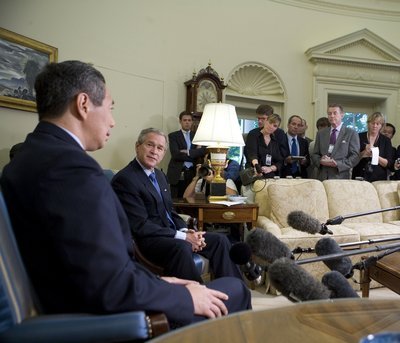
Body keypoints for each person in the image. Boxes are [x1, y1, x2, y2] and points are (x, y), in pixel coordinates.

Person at [0, 61, 250, 328]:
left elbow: (89, 263)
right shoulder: (72, 170)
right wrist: (181, 295)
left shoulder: (28, 158)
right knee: (235, 289)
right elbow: (109, 287)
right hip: (108, 322)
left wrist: (159, 281)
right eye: (110, 108)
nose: (112, 120)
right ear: (83, 104)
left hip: (77, 302)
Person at [112, 128, 244, 283]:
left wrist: (186, 230)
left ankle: (232, 291)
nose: (155, 151)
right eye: (150, 145)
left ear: (163, 153)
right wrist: (184, 237)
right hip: (149, 241)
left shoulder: (160, 176)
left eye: (160, 148)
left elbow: (170, 211)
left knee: (220, 241)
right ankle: (199, 299)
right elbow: (140, 226)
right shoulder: (126, 179)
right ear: (137, 146)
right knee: (182, 248)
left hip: (172, 234)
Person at [312, 104, 360, 180]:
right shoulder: (321, 133)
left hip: (340, 177)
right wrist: (321, 160)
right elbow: (315, 154)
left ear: (342, 115)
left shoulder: (351, 133)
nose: (332, 116)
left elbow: (355, 156)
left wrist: (338, 164)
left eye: (335, 113)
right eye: (329, 113)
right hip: (322, 177)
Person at [167, 112, 206, 198]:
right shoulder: (173, 136)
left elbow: (203, 151)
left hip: (193, 172)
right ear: (180, 121)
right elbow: (175, 154)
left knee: (190, 199)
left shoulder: (197, 136)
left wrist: (188, 152)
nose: (187, 122)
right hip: (178, 172)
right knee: (175, 200)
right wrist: (195, 153)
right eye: (185, 120)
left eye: (189, 120)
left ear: (192, 122)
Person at [352, 112, 392, 182]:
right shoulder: (358, 137)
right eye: (372, 123)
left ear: (381, 126)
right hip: (359, 175)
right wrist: (364, 152)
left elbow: (388, 164)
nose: (375, 126)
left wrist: (375, 154)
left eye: (378, 124)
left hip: (378, 178)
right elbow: (352, 159)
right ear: (368, 123)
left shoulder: (386, 140)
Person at [245, 113, 284, 178]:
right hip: (254, 173)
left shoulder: (274, 140)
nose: (271, 126)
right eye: (270, 122)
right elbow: (252, 155)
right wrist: (257, 168)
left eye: (275, 126)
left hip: (270, 176)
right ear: (266, 121)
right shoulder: (253, 134)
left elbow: (279, 162)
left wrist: (270, 168)